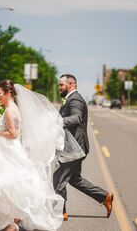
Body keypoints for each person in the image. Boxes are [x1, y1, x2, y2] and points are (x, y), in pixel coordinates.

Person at [0, 79, 65, 231]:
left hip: (9, 151)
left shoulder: (10, 110)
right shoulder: (11, 108)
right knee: (7, 188)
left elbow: (13, 133)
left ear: (8, 93)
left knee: (4, 187)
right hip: (8, 150)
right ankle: (12, 221)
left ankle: (10, 224)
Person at [53, 74, 114, 221]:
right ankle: (104, 196)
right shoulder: (70, 99)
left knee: (58, 178)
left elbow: (76, 118)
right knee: (75, 179)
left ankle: (61, 212)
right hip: (75, 147)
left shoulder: (75, 99)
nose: (59, 87)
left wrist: (56, 121)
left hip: (75, 149)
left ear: (71, 84)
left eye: (61, 85)